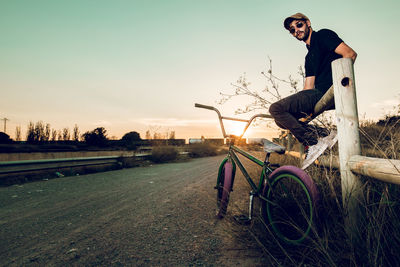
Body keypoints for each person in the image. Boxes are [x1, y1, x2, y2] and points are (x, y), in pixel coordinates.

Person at [269, 13, 357, 167]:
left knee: (275, 108)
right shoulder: (309, 57)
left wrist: (340, 86)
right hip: (317, 94)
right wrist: (304, 111)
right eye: (292, 30)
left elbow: (349, 54)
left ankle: (313, 141)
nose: (296, 30)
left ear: (308, 23)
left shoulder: (323, 35)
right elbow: (308, 87)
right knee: (281, 119)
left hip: (333, 91)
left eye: (299, 25)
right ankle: (324, 134)